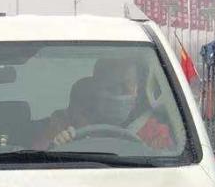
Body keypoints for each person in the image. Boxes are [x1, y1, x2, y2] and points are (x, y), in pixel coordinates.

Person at [42, 58, 173, 150]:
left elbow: (166, 169)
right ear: (96, 88)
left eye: (126, 85)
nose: (119, 93)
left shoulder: (154, 131)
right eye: (111, 86)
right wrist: (59, 145)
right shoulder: (65, 123)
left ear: (137, 89)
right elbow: (39, 158)